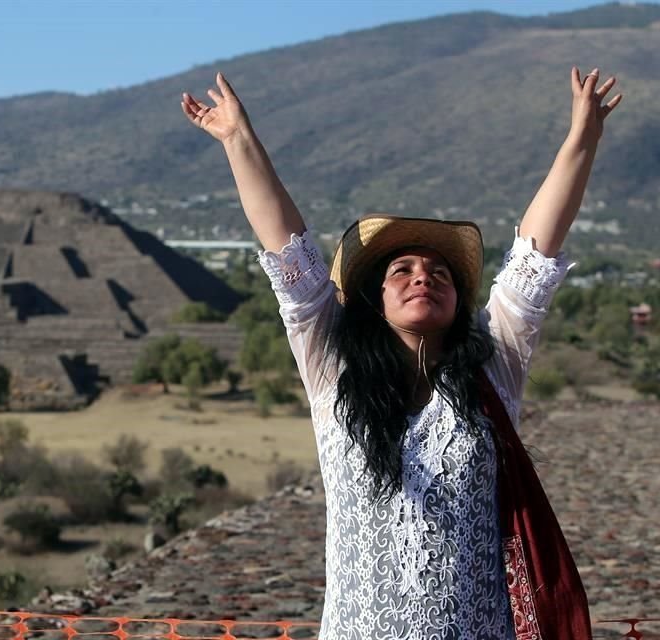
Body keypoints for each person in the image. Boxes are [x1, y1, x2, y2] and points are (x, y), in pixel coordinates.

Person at [181, 67, 621, 639]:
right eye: (403, 270)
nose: (424, 278)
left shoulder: (494, 372)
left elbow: (534, 257)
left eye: (441, 273)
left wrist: (581, 139)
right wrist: (239, 140)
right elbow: (288, 254)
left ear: (460, 300)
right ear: (374, 297)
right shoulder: (332, 371)